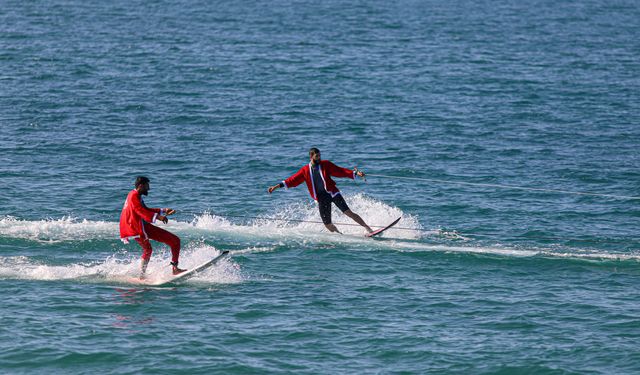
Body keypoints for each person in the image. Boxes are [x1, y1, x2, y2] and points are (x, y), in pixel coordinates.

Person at [268, 148, 373, 234]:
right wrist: (276, 187)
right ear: (311, 157)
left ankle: (368, 229)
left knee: (348, 212)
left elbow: (340, 171)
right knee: (327, 224)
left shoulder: (325, 164)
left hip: (332, 193)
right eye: (316, 156)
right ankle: (340, 235)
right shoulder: (305, 171)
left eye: (320, 156)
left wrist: (355, 173)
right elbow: (292, 180)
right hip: (321, 198)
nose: (319, 158)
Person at [119, 176, 185, 277]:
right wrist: (159, 217)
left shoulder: (135, 195)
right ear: (141, 186)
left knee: (173, 241)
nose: (148, 188)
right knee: (155, 247)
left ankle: (173, 268)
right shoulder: (133, 196)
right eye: (147, 186)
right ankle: (142, 276)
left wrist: (163, 210)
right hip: (137, 228)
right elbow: (140, 211)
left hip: (140, 226)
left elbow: (145, 209)